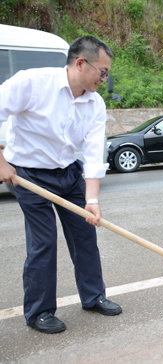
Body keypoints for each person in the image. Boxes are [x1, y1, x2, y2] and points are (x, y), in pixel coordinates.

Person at [0, 36, 122, 334]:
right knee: (43, 242)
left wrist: (91, 201)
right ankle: (39, 312)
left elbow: (94, 153)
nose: (105, 79)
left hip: (68, 173)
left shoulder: (95, 103)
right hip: (28, 175)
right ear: (80, 63)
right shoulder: (31, 83)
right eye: (102, 72)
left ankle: (93, 297)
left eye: (107, 74)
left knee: (85, 235)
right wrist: (2, 161)